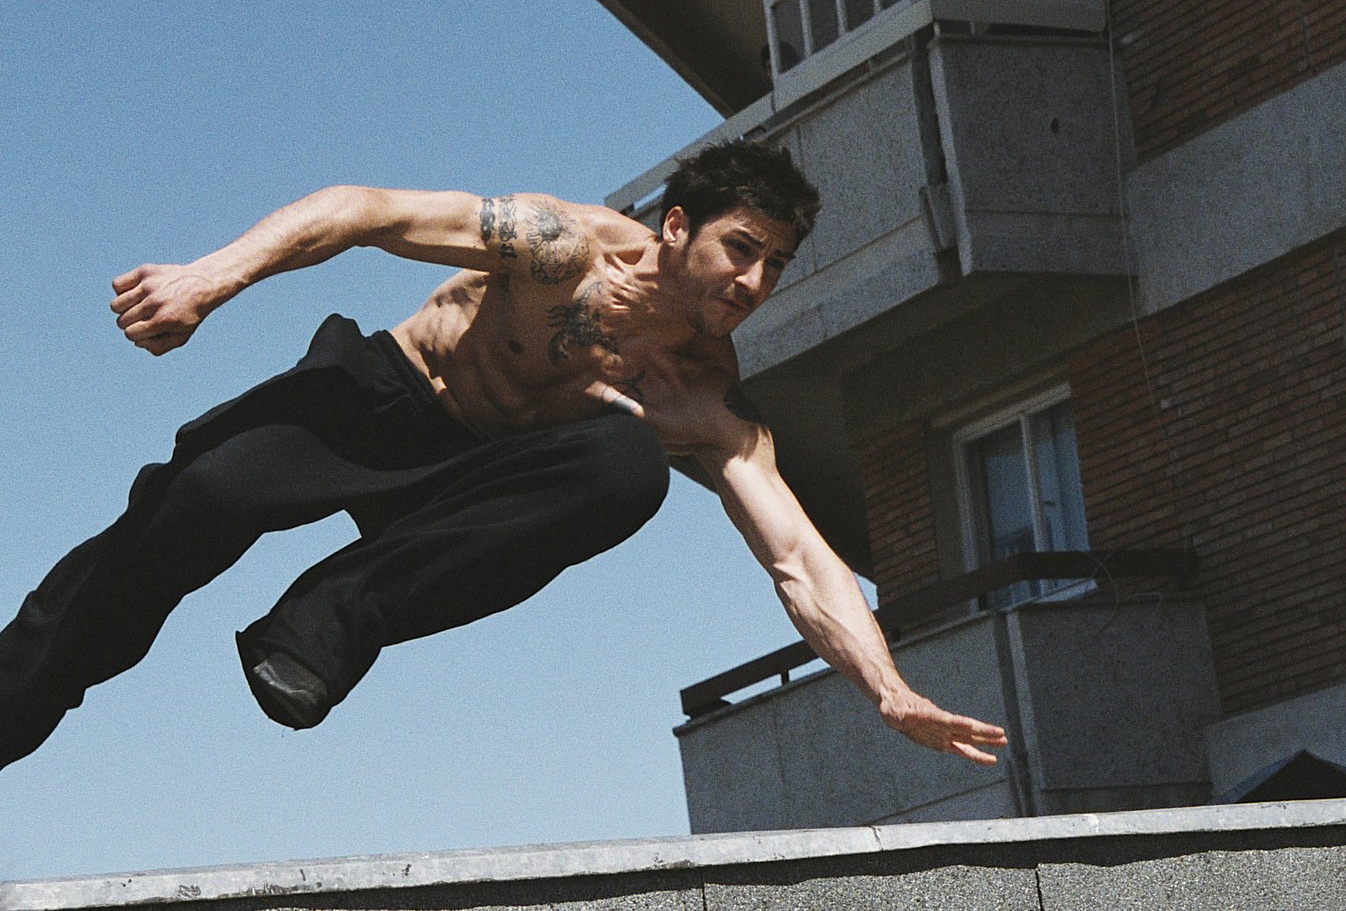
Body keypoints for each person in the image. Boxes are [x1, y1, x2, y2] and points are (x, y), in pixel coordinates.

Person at [0, 139, 1006, 772]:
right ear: (677, 227)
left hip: (474, 478)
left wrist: (886, 687)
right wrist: (208, 281)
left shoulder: (698, 390)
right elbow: (363, 210)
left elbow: (797, 552)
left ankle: (320, 625)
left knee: (626, 467)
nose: (754, 281)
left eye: (775, 266)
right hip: (380, 400)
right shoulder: (557, 246)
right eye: (741, 249)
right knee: (187, 514)